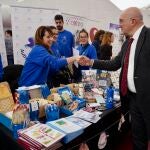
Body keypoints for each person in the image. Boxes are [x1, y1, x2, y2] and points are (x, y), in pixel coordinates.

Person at [78, 7, 150, 150]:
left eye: (121, 21)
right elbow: (115, 63)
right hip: (132, 99)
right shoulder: (128, 43)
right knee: (138, 136)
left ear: (133, 21)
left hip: (148, 99)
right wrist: (91, 62)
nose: (119, 25)